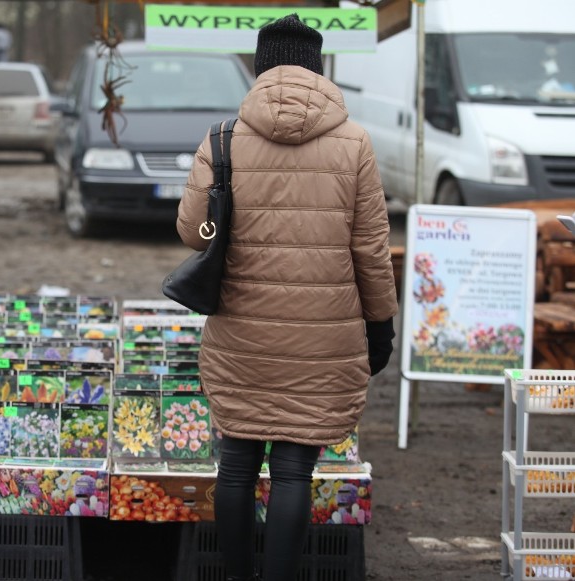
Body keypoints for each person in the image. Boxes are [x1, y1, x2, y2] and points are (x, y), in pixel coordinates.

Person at [176, 14, 398, 581]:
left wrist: (221, 224)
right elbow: (371, 249)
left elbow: (190, 232)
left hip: (240, 331)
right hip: (324, 336)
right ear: (317, 69)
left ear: (259, 67)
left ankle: (236, 575)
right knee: (295, 470)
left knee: (236, 467)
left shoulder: (222, 137)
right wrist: (381, 324)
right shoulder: (355, 143)